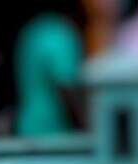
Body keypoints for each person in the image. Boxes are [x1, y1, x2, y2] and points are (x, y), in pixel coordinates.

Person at [14, 4, 85, 137]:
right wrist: (83, 127)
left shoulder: (32, 29)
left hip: (27, 125)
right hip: (53, 130)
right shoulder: (60, 32)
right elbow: (65, 85)